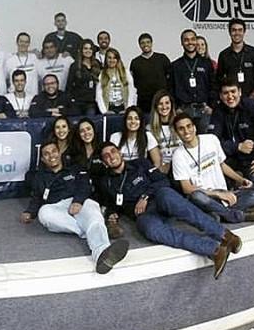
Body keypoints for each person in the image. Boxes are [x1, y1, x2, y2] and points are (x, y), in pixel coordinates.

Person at [97, 143, 242, 279]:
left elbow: (162, 180)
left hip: (159, 198)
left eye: (113, 151)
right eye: (106, 156)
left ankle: (226, 236)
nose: (111, 156)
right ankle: (215, 251)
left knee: (168, 195)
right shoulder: (105, 182)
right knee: (150, 230)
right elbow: (111, 205)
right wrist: (111, 216)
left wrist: (145, 196)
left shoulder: (140, 163)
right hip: (144, 214)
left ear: (120, 152)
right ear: (104, 162)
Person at [21, 141, 129, 274]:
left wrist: (78, 201)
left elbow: (85, 185)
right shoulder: (40, 177)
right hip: (56, 207)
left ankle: (102, 253)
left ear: (59, 153)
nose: (51, 156)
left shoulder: (75, 168)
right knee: (43, 213)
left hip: (81, 202)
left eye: (54, 151)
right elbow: (37, 197)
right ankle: (92, 231)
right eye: (46, 154)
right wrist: (30, 212)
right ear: (43, 159)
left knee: (93, 212)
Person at [170, 113, 254, 224]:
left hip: (225, 193)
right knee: (196, 196)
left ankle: (218, 214)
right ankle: (235, 215)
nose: (186, 131)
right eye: (181, 129)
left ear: (194, 127)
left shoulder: (211, 139)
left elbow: (222, 165)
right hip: (206, 196)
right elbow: (187, 188)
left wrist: (240, 180)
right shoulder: (178, 155)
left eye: (189, 126)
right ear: (176, 133)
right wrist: (217, 194)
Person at [208, 80, 254, 187]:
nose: (230, 96)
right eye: (226, 93)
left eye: (233, 92)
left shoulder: (252, 106)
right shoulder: (218, 111)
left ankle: (237, 182)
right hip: (230, 159)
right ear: (221, 96)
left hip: (253, 160)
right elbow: (213, 142)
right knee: (213, 184)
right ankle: (235, 181)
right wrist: (237, 147)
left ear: (240, 92)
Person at [169, 29, 217, 131]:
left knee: (205, 138)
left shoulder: (206, 63)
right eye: (186, 40)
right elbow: (171, 89)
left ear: (196, 41)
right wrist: (176, 108)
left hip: (204, 109)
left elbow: (213, 85)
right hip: (184, 110)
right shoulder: (175, 65)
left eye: (192, 39)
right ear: (182, 43)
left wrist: (211, 106)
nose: (190, 42)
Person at [217, 19, 254, 99]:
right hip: (231, 99)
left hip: (251, 98)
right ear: (229, 32)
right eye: (234, 30)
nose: (237, 33)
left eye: (240, 30)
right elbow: (219, 78)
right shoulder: (223, 55)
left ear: (244, 32)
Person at [129, 33, 170, 114]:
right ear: (139, 45)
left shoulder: (162, 58)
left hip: (161, 100)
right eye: (142, 43)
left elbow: (169, 77)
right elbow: (133, 82)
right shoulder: (135, 62)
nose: (145, 45)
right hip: (144, 102)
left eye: (148, 42)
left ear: (151, 43)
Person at [147, 90, 181, 175]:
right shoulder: (149, 129)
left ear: (171, 105)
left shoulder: (179, 124)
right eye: (160, 104)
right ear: (156, 106)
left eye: (167, 103)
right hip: (163, 170)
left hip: (182, 166)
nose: (164, 107)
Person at [67, 39, 101, 115]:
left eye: (90, 48)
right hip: (78, 102)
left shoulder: (97, 64)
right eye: (85, 48)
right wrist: (70, 100)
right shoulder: (75, 66)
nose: (88, 51)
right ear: (81, 50)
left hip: (92, 102)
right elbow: (69, 85)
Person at [96, 48, 132, 115]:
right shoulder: (102, 74)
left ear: (118, 59)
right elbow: (99, 94)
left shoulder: (125, 72)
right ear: (106, 59)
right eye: (109, 58)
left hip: (123, 107)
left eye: (114, 58)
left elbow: (131, 91)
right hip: (109, 107)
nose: (112, 60)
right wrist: (104, 111)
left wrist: (128, 109)